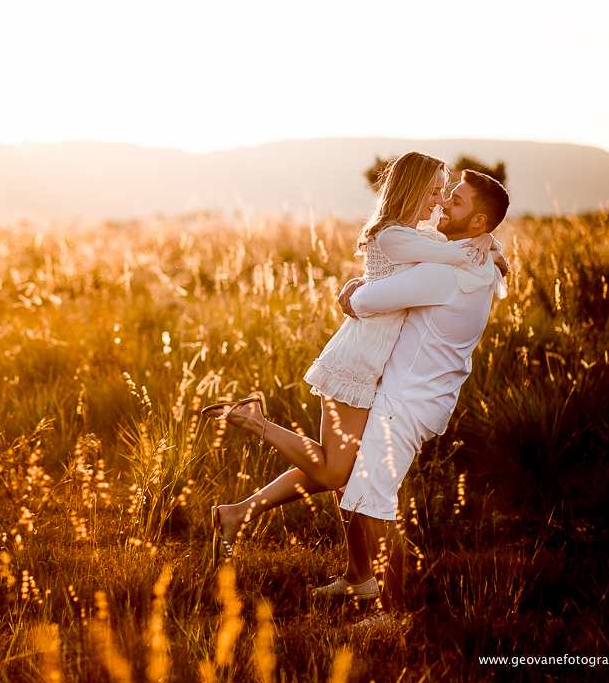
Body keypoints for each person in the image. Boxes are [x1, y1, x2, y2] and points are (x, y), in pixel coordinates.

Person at [213, 168, 510, 630]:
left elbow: (365, 302)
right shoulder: (469, 258)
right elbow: (420, 254)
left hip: (405, 400)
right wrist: (489, 242)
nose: (444, 205)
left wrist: (355, 288)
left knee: (368, 499)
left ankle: (392, 616)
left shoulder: (448, 272)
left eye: (455, 201)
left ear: (478, 222)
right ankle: (357, 578)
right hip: (403, 390)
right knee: (350, 481)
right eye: (443, 195)